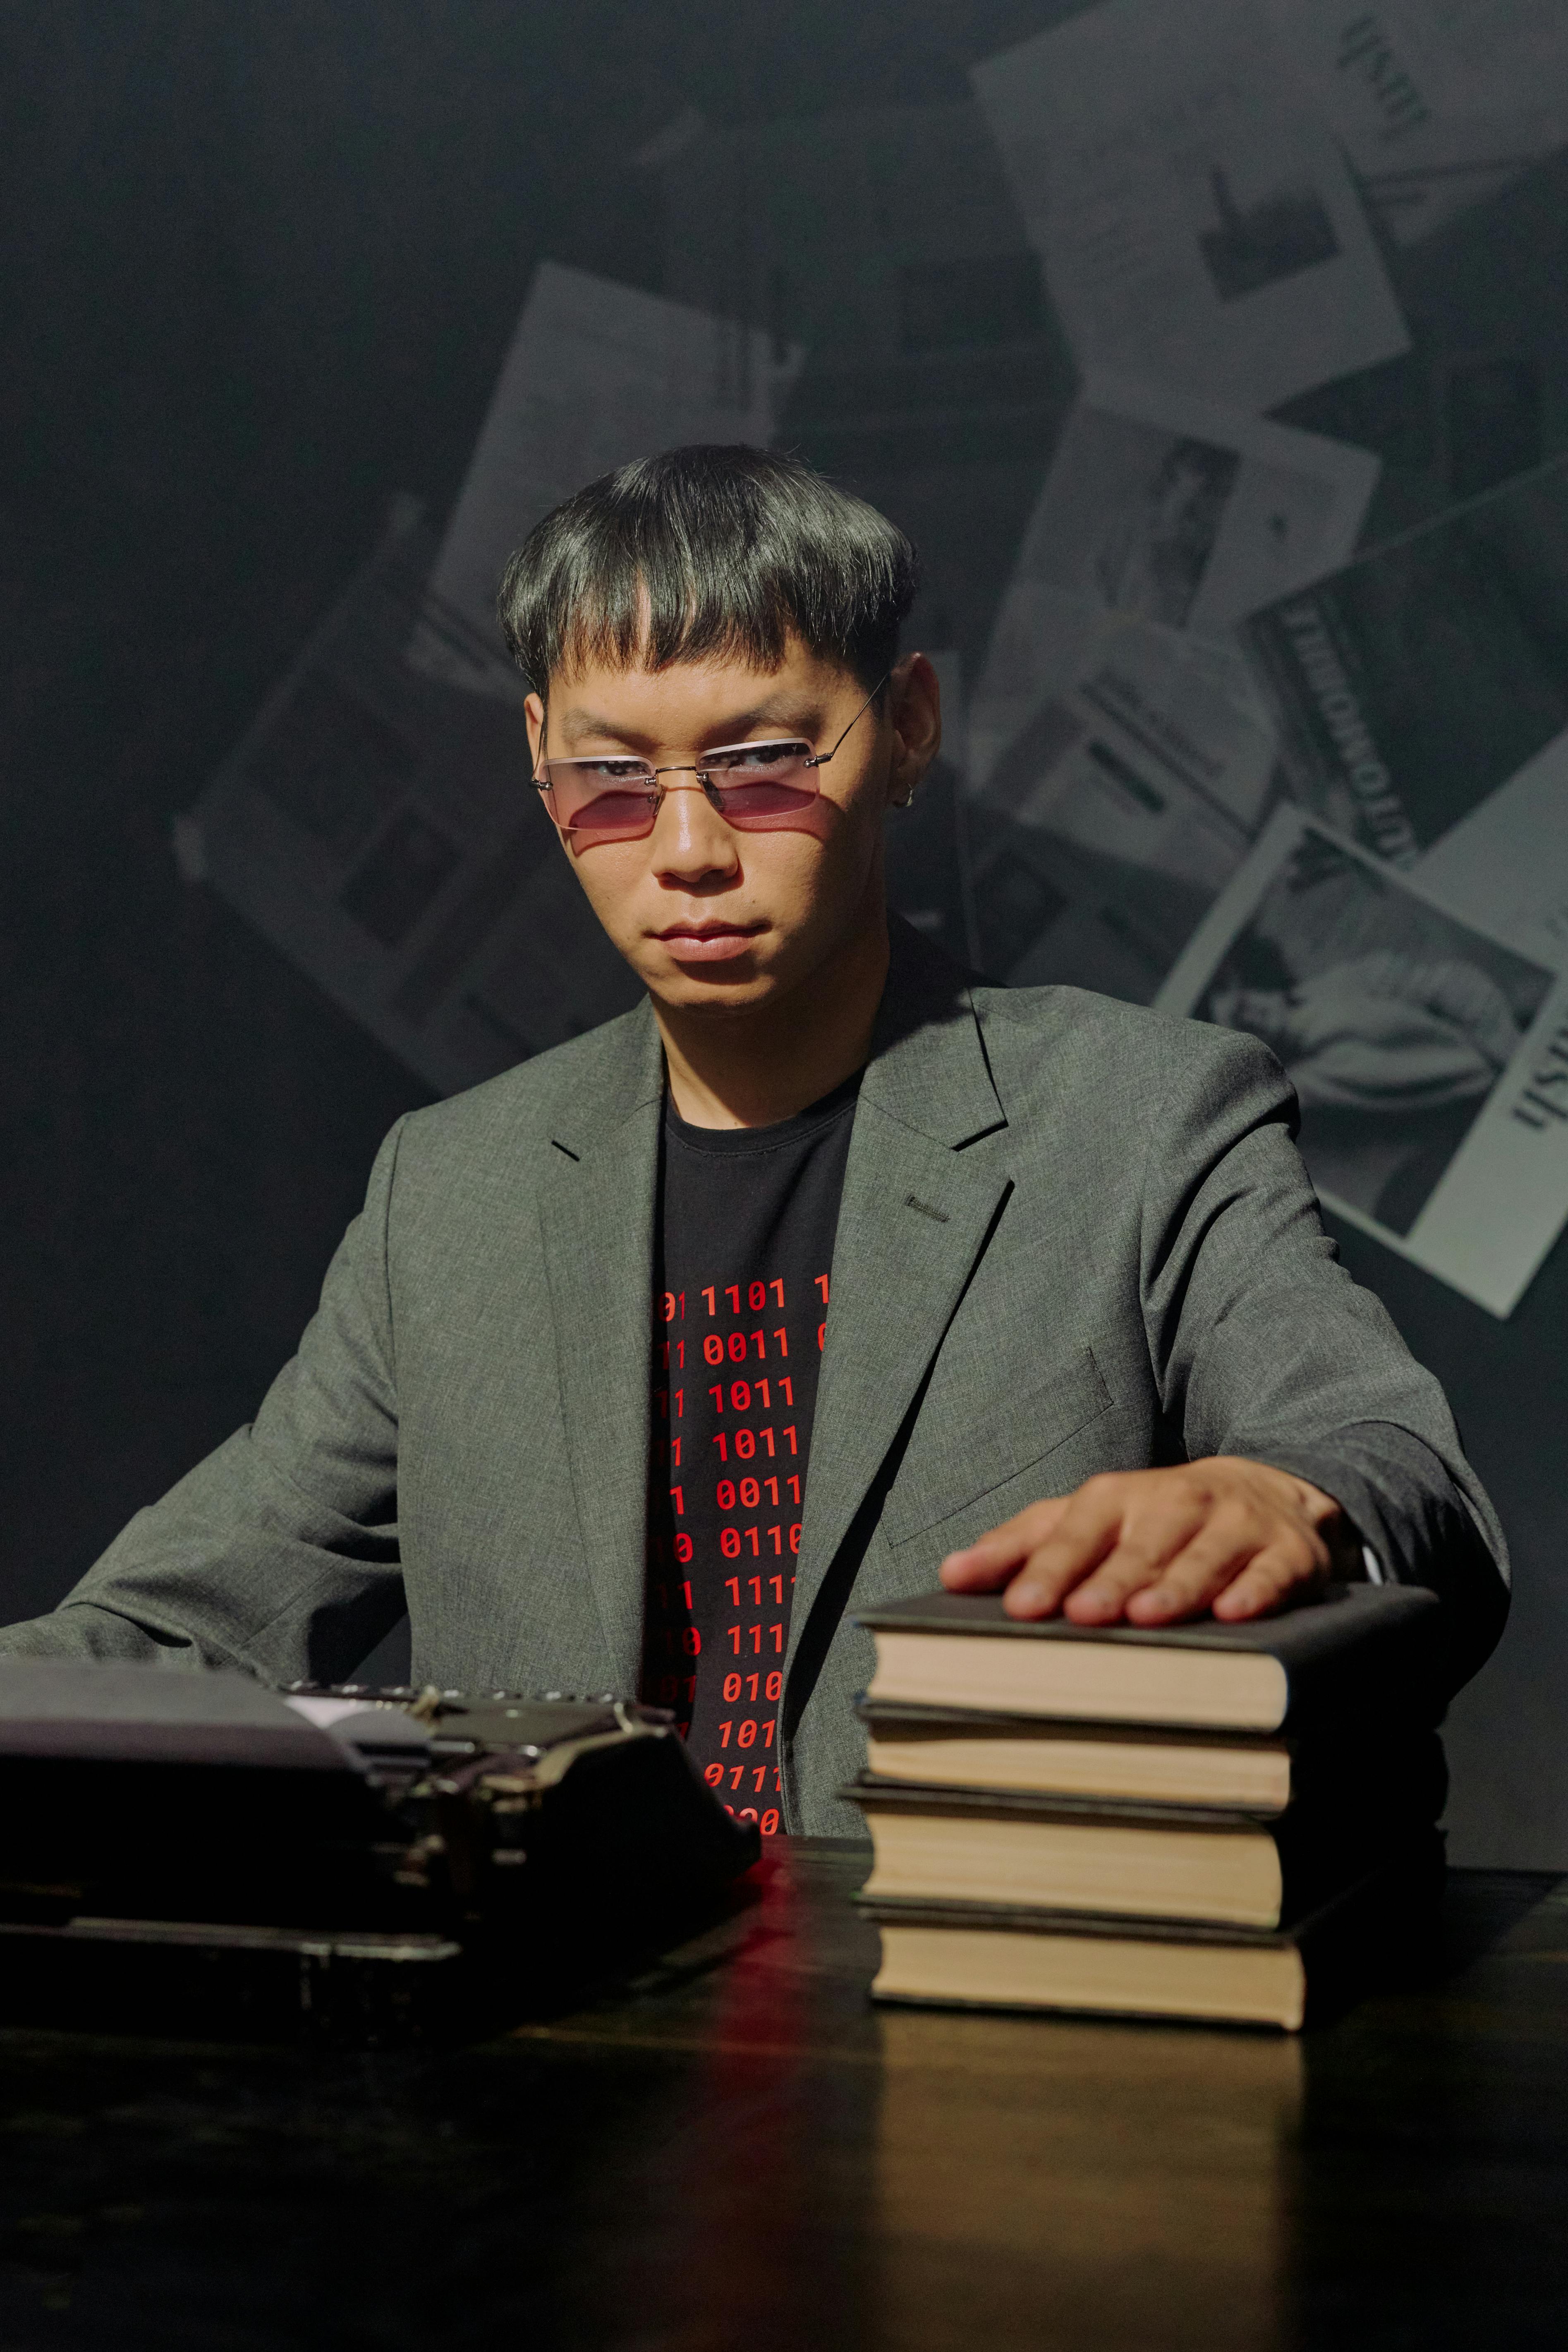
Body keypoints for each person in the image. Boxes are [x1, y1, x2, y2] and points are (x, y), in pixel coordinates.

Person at [0, 447, 1508, 1837]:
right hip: (562, 2054)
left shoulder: (1144, 1120)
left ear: (907, 726)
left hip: (975, 2015)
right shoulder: (450, 1195)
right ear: (537, 758)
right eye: (611, 778)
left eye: (764, 759)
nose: (689, 849)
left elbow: (1399, 1471)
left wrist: (1283, 1499)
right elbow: (186, 1621)